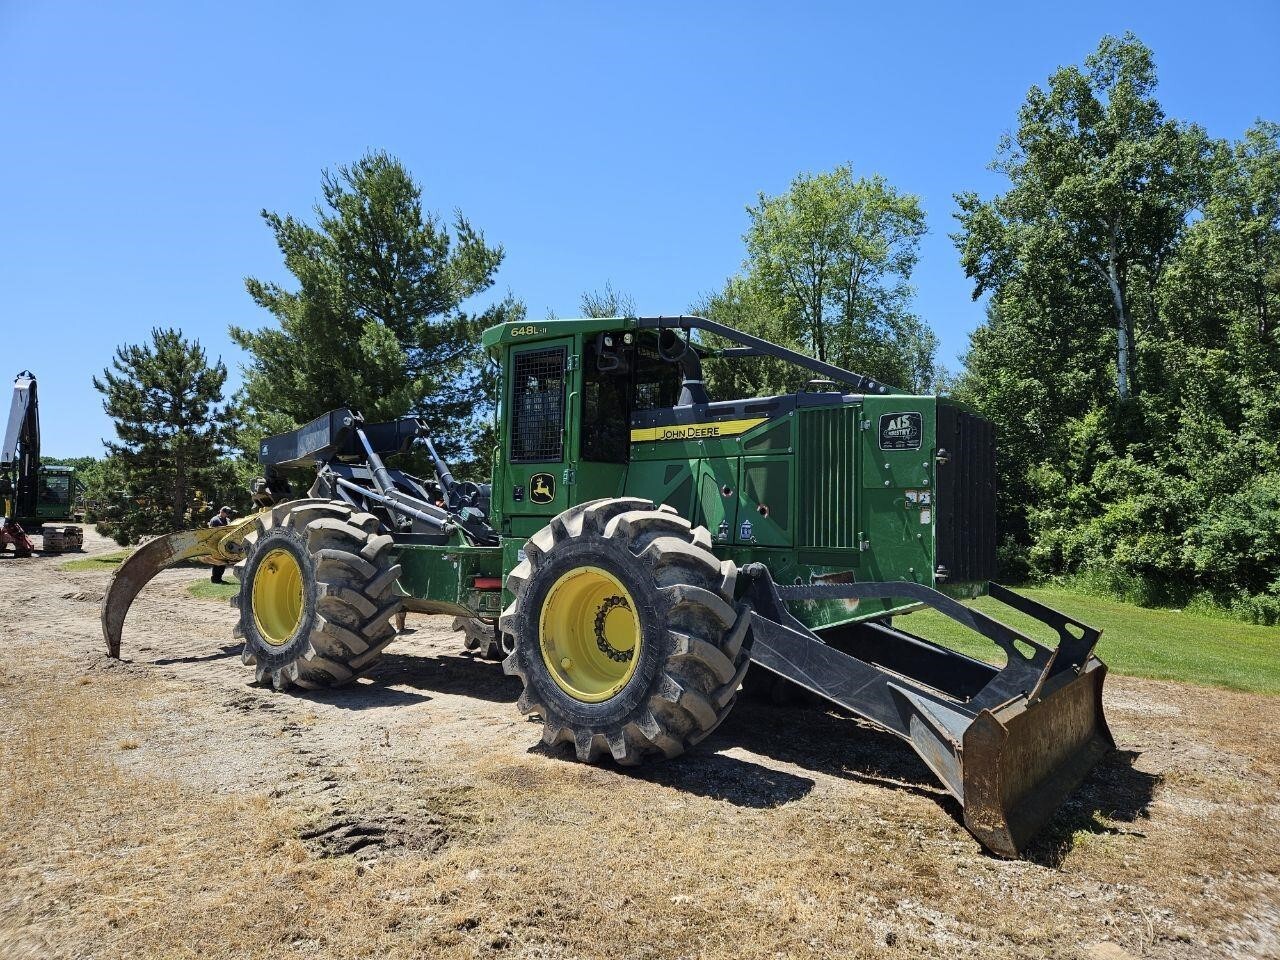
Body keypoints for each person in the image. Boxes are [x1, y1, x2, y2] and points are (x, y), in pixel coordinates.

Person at [208, 505, 234, 583]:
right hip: (216, 544)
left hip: (224, 544)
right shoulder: (215, 520)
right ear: (221, 512)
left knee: (223, 562)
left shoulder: (227, 520)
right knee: (217, 562)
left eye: (228, 513)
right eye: (226, 513)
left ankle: (219, 578)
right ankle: (215, 579)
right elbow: (211, 533)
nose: (227, 515)